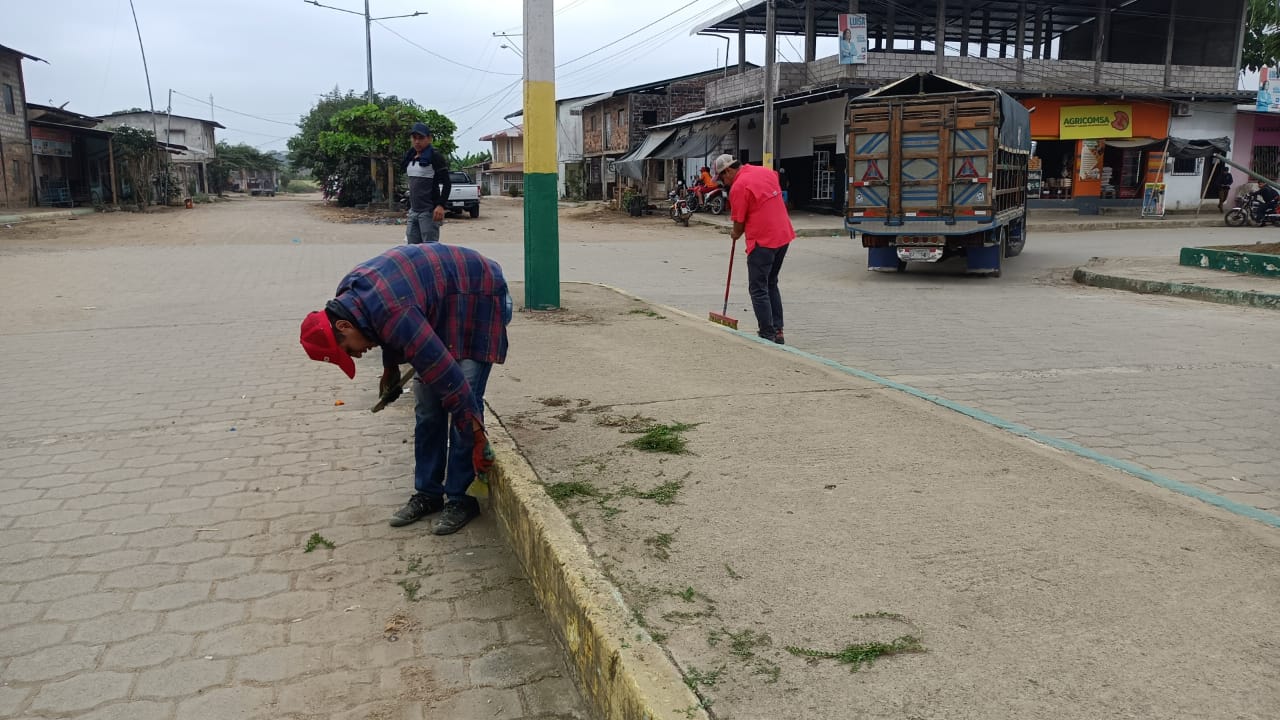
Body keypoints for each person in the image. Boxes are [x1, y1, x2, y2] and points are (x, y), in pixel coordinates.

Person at [299, 243, 511, 535]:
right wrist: (391, 367)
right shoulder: (349, 296)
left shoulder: (394, 313)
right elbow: (382, 328)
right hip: (440, 302)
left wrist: (478, 438)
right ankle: (428, 493)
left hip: (478, 292)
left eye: (348, 350)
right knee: (427, 408)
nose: (356, 356)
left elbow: (454, 385)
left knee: (464, 398)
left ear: (344, 325)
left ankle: (461, 498)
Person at [713, 153, 795, 344]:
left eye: (722, 178)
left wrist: (735, 233)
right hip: (783, 235)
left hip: (763, 241)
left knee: (758, 288)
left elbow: (739, 222)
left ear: (728, 170)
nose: (723, 183)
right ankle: (778, 330)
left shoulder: (739, 186)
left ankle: (767, 333)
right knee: (771, 282)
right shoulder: (764, 172)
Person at [401, 122, 452, 245]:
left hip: (429, 212)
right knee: (412, 249)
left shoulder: (435, 156)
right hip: (413, 211)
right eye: (414, 138)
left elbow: (447, 183)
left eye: (421, 138)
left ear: (429, 139)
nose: (417, 142)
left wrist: (440, 205)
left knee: (429, 250)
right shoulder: (410, 156)